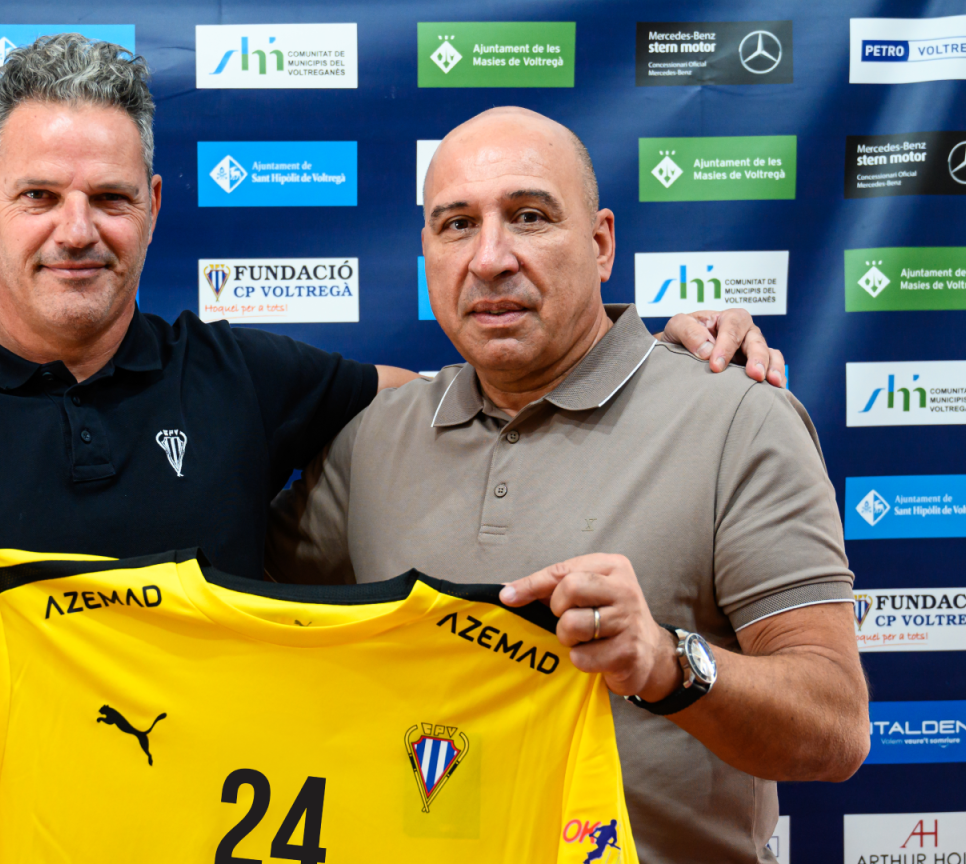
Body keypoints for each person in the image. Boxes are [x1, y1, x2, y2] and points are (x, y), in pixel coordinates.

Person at [0, 37, 784, 863]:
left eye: (110, 198)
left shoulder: (240, 379)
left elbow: (472, 383)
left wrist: (638, 349)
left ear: (153, 208)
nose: (77, 229)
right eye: (39, 196)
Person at [267, 107, 867, 864]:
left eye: (529, 216)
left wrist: (667, 663)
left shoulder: (738, 418)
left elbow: (835, 728)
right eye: (457, 225)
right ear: (427, 252)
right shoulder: (373, 437)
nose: (490, 258)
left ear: (601, 243)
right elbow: (244, 629)